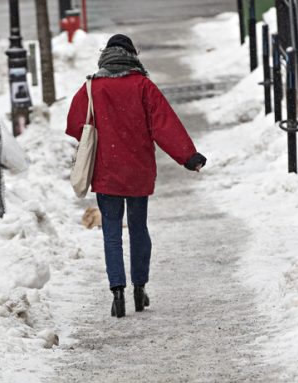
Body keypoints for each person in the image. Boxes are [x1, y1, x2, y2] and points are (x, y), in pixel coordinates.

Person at [66, 34, 206, 319]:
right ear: (132, 56)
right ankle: (139, 287)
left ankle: (117, 290)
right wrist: (189, 157)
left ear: (105, 56)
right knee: (139, 229)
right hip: (137, 171)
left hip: (106, 172)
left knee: (112, 233)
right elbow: (165, 125)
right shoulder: (143, 86)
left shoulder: (92, 87)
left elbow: (73, 124)